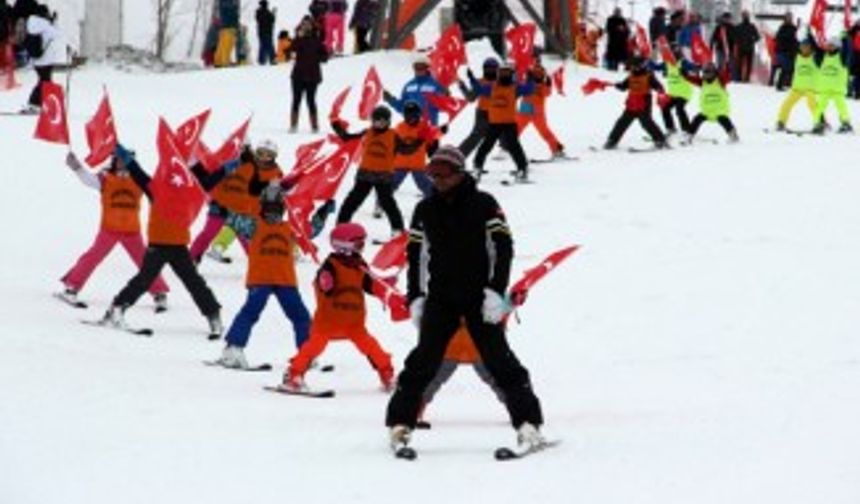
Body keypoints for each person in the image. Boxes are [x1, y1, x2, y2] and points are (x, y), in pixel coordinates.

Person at [385, 145, 546, 456]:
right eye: (432, 174)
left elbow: (503, 248)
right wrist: (416, 297)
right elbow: (416, 254)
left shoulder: (485, 204)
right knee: (421, 362)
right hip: (441, 298)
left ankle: (528, 424)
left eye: (443, 174)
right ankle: (400, 424)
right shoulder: (425, 209)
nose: (437, 181)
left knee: (500, 361)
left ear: (459, 173)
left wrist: (495, 292)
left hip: (478, 297)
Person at [102, 145, 223, 338]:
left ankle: (213, 316)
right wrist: (122, 153)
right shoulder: (155, 188)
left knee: (194, 282)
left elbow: (209, 181)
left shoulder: (188, 190)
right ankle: (116, 309)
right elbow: (136, 171)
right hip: (158, 246)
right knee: (144, 280)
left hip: (178, 245)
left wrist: (229, 167)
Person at [282, 222, 394, 391]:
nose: (362, 248)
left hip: (354, 323)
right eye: (359, 244)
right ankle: (294, 374)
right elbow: (324, 286)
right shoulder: (330, 266)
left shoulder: (359, 266)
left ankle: (387, 373)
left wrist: (385, 287)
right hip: (328, 321)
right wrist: (326, 281)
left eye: (362, 244)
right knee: (312, 348)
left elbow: (371, 286)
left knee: (371, 347)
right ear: (344, 246)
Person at [215, 185, 311, 369]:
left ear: (283, 209)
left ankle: (307, 352)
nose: (272, 214)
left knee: (300, 315)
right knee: (250, 312)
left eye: (276, 209)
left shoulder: (290, 228)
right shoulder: (254, 224)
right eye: (268, 208)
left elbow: (309, 231)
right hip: (262, 278)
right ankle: (233, 349)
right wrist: (223, 204)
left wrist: (322, 213)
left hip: (285, 280)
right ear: (262, 207)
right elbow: (233, 220)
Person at [59, 152, 169, 311]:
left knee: (146, 262)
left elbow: (157, 190)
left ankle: (159, 292)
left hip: (132, 230)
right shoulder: (105, 178)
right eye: (119, 160)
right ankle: (72, 287)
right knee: (93, 257)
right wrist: (77, 167)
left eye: (126, 160)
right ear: (114, 161)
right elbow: (88, 180)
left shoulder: (138, 179)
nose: (122, 163)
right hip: (109, 229)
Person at [332, 105, 424, 235]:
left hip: (383, 176)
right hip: (365, 174)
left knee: (388, 203)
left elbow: (407, 150)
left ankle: (397, 230)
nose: (380, 124)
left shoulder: (393, 135)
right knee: (353, 200)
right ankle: (341, 225)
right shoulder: (367, 132)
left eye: (384, 121)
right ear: (372, 121)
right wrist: (337, 126)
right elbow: (347, 137)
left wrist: (420, 140)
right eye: (377, 120)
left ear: (388, 121)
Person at [190, 140, 283, 263]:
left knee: (248, 241)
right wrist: (195, 167)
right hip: (221, 205)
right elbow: (209, 183)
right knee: (209, 233)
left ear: (274, 157)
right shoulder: (235, 164)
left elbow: (262, 193)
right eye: (261, 153)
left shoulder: (275, 173)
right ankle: (191, 260)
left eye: (269, 155)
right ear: (255, 153)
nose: (264, 158)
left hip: (245, 212)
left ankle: (260, 267)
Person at [415, 320, 505, 428]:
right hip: (477, 341)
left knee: (433, 379)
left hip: (452, 341)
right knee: (497, 379)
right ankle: (518, 411)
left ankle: (414, 411)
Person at [469, 62, 534, 181]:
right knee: (486, 146)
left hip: (509, 123)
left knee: (514, 147)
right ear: (498, 73)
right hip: (494, 123)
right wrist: (472, 79)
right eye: (502, 72)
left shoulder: (515, 87)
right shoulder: (492, 87)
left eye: (507, 72)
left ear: (511, 74)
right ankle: (477, 167)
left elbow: (529, 90)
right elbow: (479, 89)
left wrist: (530, 79)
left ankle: (522, 168)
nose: (505, 74)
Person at [603, 55, 668, 149]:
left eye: (635, 66)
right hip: (632, 101)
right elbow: (624, 86)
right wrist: (618, 85)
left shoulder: (648, 75)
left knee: (646, 122)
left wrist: (660, 91)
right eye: (632, 66)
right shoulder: (631, 75)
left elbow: (658, 86)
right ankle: (612, 140)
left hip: (644, 101)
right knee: (622, 122)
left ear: (641, 66)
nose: (633, 68)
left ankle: (660, 140)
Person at [515, 57, 565, 158]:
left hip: (536, 110)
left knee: (543, 131)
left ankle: (556, 149)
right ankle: (505, 147)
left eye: (537, 61)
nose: (536, 63)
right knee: (516, 129)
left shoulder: (542, 78)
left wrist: (547, 83)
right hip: (527, 109)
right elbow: (519, 89)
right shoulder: (528, 76)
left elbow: (547, 93)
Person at [287, 16, 329, 132]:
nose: (306, 26)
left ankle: (314, 126)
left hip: (313, 75)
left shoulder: (317, 40)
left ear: (312, 26)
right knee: (296, 99)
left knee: (311, 100)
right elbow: (290, 51)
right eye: (304, 24)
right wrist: (298, 38)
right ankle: (293, 125)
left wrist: (317, 58)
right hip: (298, 75)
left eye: (308, 24)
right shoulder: (298, 39)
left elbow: (325, 57)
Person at [391, 100, 438, 198]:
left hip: (418, 164)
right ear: (405, 116)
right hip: (400, 164)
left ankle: (435, 203)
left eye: (415, 116)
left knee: (425, 184)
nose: (412, 119)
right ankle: (381, 203)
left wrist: (433, 145)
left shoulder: (424, 127)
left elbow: (432, 139)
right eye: (409, 116)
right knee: (391, 183)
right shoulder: (399, 128)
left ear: (419, 115)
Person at [682, 62, 739, 143]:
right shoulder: (702, 82)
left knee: (724, 120)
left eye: (709, 73)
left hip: (720, 109)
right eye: (705, 73)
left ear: (714, 73)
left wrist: (728, 68)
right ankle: (689, 136)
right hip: (707, 110)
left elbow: (727, 77)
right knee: (697, 119)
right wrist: (685, 75)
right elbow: (692, 79)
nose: (707, 75)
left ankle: (733, 135)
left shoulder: (720, 81)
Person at [383, 54, 447, 126]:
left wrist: (446, 96)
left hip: (429, 128)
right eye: (416, 67)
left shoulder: (435, 85)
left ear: (427, 68)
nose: (419, 70)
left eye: (421, 67)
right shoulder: (408, 86)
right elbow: (402, 107)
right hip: (411, 128)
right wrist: (390, 99)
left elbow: (443, 107)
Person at [457, 57, 501, 158]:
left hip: (499, 114)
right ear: (484, 69)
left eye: (493, 68)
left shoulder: (502, 83)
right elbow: (471, 98)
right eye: (487, 68)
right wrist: (462, 85)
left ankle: (519, 163)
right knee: (475, 137)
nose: (490, 71)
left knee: (507, 137)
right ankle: (458, 157)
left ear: (497, 70)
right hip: (483, 114)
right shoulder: (480, 82)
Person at [23, 4, 62, 113]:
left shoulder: (32, 24)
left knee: (44, 81)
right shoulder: (45, 26)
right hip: (46, 60)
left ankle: (41, 103)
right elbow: (56, 34)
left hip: (36, 60)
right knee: (45, 82)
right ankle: (34, 103)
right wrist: (54, 22)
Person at [812, 37, 853, 134]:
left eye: (832, 45)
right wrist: (811, 37)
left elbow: (848, 50)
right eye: (828, 45)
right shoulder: (824, 57)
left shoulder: (842, 58)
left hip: (837, 89)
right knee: (819, 107)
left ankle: (845, 123)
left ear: (837, 47)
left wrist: (845, 38)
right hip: (825, 88)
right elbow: (816, 51)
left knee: (841, 106)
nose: (829, 47)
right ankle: (817, 123)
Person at [653, 45, 697, 135]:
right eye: (672, 53)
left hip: (684, 93)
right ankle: (670, 128)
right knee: (665, 108)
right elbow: (656, 67)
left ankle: (687, 129)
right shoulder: (667, 63)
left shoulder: (683, 62)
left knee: (679, 108)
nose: (674, 55)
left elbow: (693, 67)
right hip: (673, 94)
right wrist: (648, 60)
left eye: (676, 53)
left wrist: (696, 67)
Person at [776, 39, 817, 131]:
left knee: (812, 104)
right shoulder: (797, 57)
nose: (804, 49)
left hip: (810, 88)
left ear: (810, 48)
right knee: (786, 104)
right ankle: (781, 122)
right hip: (797, 88)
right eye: (802, 46)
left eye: (806, 47)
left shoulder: (815, 58)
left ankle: (819, 122)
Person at [772, 13, 798, 90]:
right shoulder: (782, 28)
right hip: (782, 51)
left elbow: (796, 39)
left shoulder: (794, 28)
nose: (789, 19)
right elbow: (777, 38)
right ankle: (779, 85)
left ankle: (788, 84)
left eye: (790, 17)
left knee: (791, 69)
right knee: (784, 68)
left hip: (791, 52)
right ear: (785, 19)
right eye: (787, 17)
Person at [733, 11, 760, 82]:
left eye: (746, 15)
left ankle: (747, 78)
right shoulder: (738, 27)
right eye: (744, 15)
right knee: (739, 64)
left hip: (749, 48)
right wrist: (738, 41)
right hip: (741, 48)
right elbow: (734, 37)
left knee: (749, 64)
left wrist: (752, 40)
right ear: (742, 17)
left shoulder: (752, 26)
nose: (745, 17)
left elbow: (758, 37)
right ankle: (738, 78)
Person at [214, 0, 240, 67]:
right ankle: (225, 62)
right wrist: (234, 4)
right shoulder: (227, 2)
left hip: (226, 25)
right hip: (228, 25)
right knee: (227, 44)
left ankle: (219, 61)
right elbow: (230, 9)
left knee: (223, 44)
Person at [255, 0, 276, 65]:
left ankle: (261, 60)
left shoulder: (258, 12)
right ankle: (271, 59)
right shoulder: (267, 12)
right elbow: (272, 20)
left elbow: (259, 20)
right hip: (268, 31)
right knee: (269, 45)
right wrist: (273, 14)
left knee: (262, 45)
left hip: (261, 32)